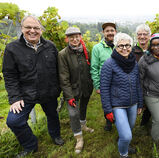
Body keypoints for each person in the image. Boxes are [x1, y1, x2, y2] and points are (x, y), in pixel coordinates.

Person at [2, 15, 64, 157]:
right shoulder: (12, 48)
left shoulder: (50, 46)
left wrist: (58, 88)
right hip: (26, 94)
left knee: (52, 115)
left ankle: (55, 135)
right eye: (28, 27)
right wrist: (15, 98)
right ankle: (30, 145)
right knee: (14, 121)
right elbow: (9, 75)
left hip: (49, 91)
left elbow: (58, 69)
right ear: (22, 29)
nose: (32, 31)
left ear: (41, 30)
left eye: (36, 28)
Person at [100, 33, 143, 158]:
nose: (125, 48)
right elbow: (104, 88)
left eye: (127, 45)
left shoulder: (134, 63)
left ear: (131, 46)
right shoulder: (109, 64)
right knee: (126, 135)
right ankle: (123, 154)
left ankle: (125, 144)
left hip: (133, 103)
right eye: (121, 46)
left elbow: (137, 84)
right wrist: (107, 109)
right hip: (117, 104)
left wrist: (140, 103)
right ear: (116, 47)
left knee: (129, 129)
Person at [58, 27, 94, 153]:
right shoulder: (63, 54)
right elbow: (63, 77)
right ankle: (79, 138)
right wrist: (69, 96)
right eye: (71, 37)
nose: (74, 39)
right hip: (72, 90)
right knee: (73, 114)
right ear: (67, 38)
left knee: (83, 107)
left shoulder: (85, 51)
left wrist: (91, 84)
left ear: (80, 37)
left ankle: (83, 125)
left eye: (77, 36)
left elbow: (89, 69)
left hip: (86, 87)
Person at [90, 22, 117, 131]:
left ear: (115, 32)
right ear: (103, 33)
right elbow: (94, 67)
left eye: (112, 30)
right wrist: (97, 85)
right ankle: (108, 121)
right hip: (105, 82)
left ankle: (118, 120)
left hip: (118, 81)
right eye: (107, 31)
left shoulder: (120, 45)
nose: (110, 33)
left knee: (117, 102)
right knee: (106, 102)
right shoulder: (97, 48)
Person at [132, 24, 152, 126]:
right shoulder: (131, 51)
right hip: (136, 84)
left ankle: (145, 121)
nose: (142, 36)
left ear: (149, 36)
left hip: (151, 84)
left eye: (145, 34)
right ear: (136, 36)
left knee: (149, 105)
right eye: (139, 34)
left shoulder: (154, 51)